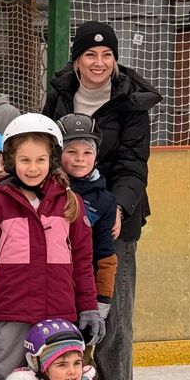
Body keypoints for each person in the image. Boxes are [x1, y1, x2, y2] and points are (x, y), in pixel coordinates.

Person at [41, 22, 161, 380]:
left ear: (115, 60)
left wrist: (118, 207)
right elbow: (49, 154)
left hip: (116, 221)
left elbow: (133, 164)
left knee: (113, 314)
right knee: (65, 306)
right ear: (76, 61)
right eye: (90, 55)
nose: (99, 63)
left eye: (106, 55)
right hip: (64, 215)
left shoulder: (131, 103)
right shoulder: (58, 94)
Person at [0, 114, 105, 380]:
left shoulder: (71, 203)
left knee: (59, 376)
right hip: (12, 310)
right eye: (24, 159)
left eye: (40, 159)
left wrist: (89, 307)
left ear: (52, 159)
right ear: (11, 160)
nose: (32, 167)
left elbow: (83, 262)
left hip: (58, 312)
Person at [58, 114, 119, 331]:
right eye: (71, 152)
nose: (79, 159)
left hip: (83, 289)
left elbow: (106, 257)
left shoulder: (105, 200)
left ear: (96, 156)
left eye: (87, 152)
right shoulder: (48, 187)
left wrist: (100, 304)